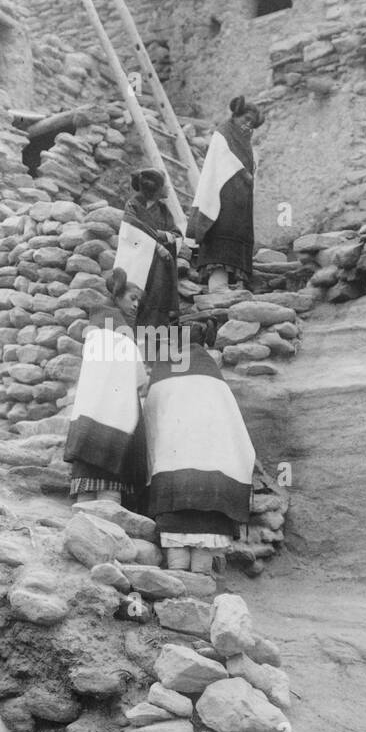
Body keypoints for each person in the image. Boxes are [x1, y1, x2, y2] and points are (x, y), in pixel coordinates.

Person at [142, 312, 256, 574]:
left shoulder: (162, 371)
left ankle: (178, 601)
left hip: (172, 483)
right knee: (203, 556)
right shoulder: (212, 374)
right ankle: (200, 599)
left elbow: (150, 424)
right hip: (212, 487)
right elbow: (232, 428)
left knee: (177, 560)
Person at [64, 267, 148, 505]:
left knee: (85, 493)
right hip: (114, 424)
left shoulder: (93, 332)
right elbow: (139, 380)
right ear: (117, 297)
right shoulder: (122, 336)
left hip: (87, 419)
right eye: (132, 299)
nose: (136, 306)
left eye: (138, 302)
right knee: (109, 495)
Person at [187, 94, 264, 292]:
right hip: (222, 197)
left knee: (238, 236)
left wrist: (249, 175)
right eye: (245, 120)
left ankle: (236, 282)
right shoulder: (222, 134)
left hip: (240, 202)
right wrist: (243, 173)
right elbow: (223, 159)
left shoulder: (246, 143)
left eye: (252, 124)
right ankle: (217, 284)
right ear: (235, 116)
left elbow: (252, 166)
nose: (248, 126)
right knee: (221, 234)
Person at [116, 168, 182, 329]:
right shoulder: (133, 205)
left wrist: (160, 236)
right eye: (165, 185)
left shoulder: (164, 210)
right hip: (138, 264)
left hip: (160, 269)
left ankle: (154, 337)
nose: (168, 188)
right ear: (155, 189)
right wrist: (157, 243)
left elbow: (176, 235)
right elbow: (131, 229)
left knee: (157, 301)